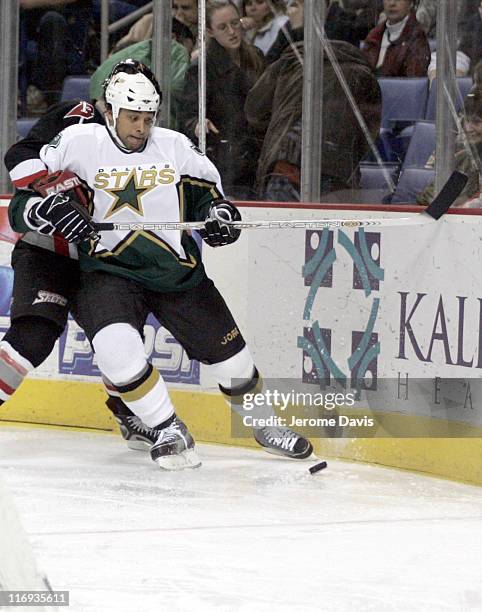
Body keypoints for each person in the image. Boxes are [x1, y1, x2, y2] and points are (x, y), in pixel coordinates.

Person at [6, 60, 314, 470]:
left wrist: (222, 218)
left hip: (175, 272)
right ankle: (167, 427)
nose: (141, 127)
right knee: (116, 351)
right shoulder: (78, 141)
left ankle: (263, 424)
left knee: (234, 363)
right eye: (132, 117)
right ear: (111, 112)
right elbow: (24, 202)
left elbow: (213, 199)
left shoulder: (175, 146)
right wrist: (50, 210)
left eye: (148, 118)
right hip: (108, 273)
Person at [245, 39, 382, 200]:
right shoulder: (363, 75)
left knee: (282, 222)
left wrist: (276, 134)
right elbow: (368, 134)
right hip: (338, 169)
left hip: (286, 162)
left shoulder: (290, 63)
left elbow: (254, 112)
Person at [180, 0, 265, 198]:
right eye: (222, 27)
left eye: (235, 23)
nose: (232, 32)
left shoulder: (257, 56)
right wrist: (198, 123)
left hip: (258, 155)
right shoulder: (201, 68)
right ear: (210, 31)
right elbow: (188, 116)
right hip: (227, 162)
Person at [362, 0, 430, 77]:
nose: (392, 3)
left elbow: (413, 84)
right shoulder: (373, 35)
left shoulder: (417, 38)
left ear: (410, 3)